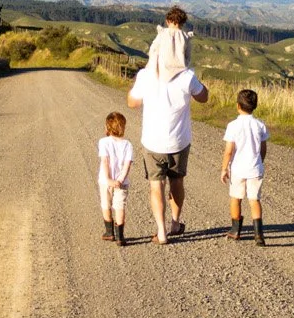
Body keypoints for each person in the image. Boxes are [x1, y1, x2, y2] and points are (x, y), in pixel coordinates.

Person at [128, 40, 208, 244]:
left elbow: (132, 103)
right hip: (179, 141)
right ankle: (175, 222)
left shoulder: (146, 76)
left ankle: (161, 231)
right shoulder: (187, 76)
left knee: (156, 187)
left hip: (153, 141)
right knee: (177, 182)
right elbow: (203, 97)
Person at [221, 87, 269, 244]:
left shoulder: (233, 125)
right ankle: (259, 235)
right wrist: (260, 161)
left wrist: (224, 168)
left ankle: (235, 230)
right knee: (254, 199)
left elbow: (229, 151)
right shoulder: (260, 125)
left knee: (236, 198)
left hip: (238, 169)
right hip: (255, 168)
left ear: (238, 106)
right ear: (255, 106)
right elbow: (263, 148)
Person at [97, 110, 132, 246]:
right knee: (119, 206)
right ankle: (120, 236)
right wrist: (120, 180)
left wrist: (109, 179)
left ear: (107, 127)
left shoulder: (103, 142)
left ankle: (109, 232)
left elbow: (105, 161)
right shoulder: (128, 145)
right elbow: (127, 164)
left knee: (106, 204)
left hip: (105, 181)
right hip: (121, 182)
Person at [144, 3, 194, 82]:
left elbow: (153, 51)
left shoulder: (162, 33)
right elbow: (188, 57)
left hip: (161, 73)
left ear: (167, 21)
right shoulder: (186, 37)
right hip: (180, 75)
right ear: (182, 23)